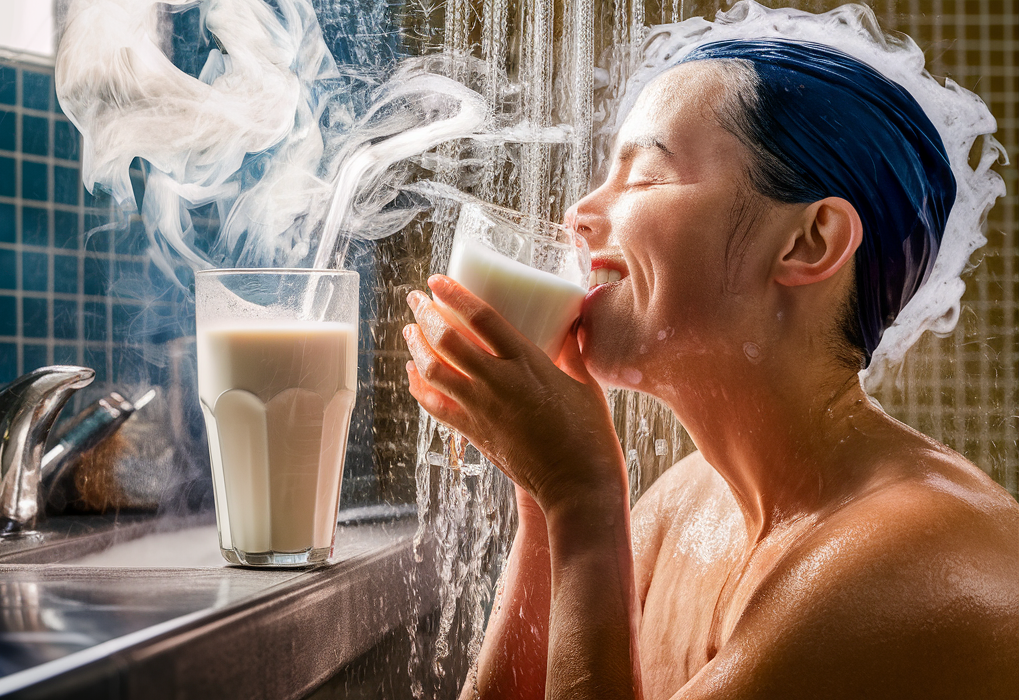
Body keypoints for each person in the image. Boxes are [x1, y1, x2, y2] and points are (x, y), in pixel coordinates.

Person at [402, 39, 1019, 700]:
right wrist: (541, 494)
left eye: (642, 177)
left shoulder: (918, 557)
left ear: (810, 241)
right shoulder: (683, 504)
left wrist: (579, 501)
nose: (578, 214)